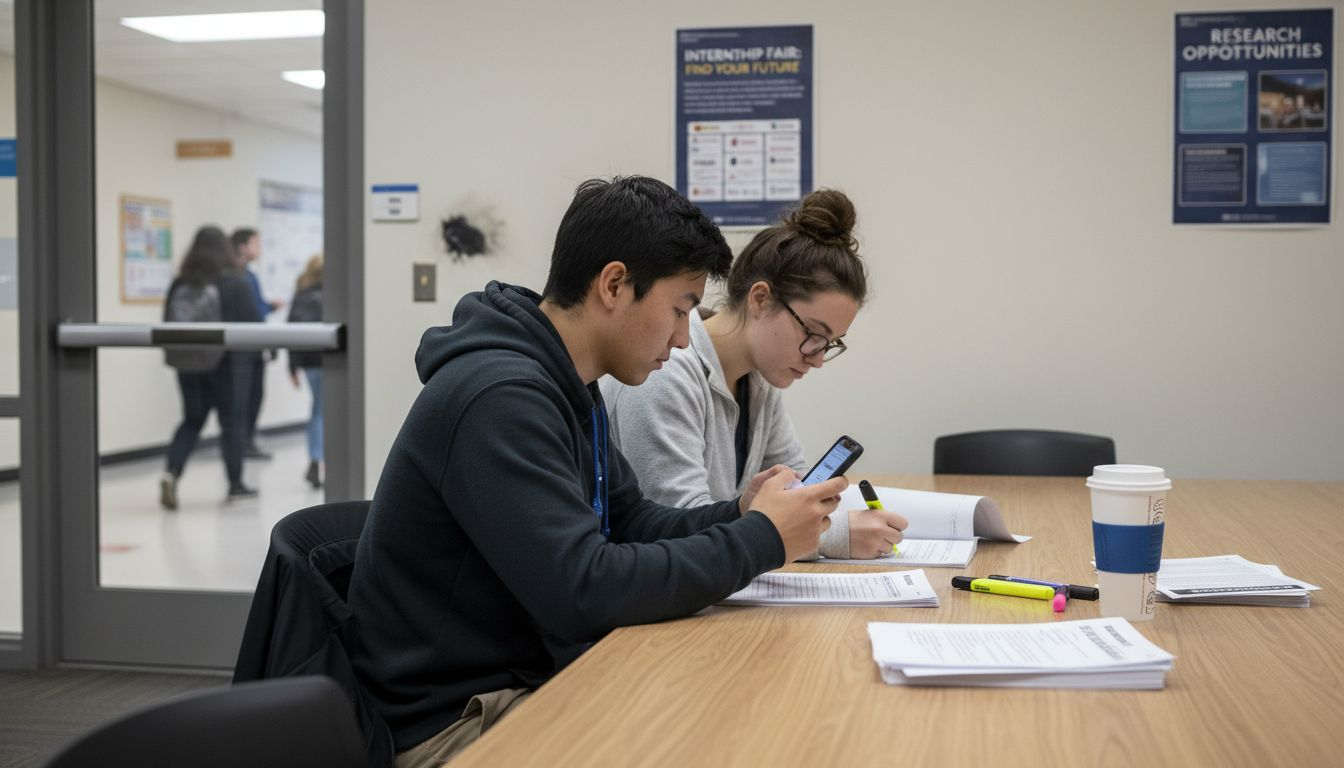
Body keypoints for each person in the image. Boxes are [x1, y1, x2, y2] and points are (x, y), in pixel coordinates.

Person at [348, 176, 846, 767]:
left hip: (531, 677)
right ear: (614, 285)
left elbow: (631, 520)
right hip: (453, 720)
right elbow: (582, 590)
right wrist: (761, 538)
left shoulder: (566, 386)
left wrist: (738, 513)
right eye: (680, 309)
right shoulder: (500, 396)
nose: (684, 338)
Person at [600, 189, 908, 560]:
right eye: (813, 335)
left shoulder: (758, 380)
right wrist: (834, 534)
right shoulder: (666, 370)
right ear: (761, 299)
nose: (817, 359)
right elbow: (678, 527)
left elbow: (795, 489)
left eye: (829, 343)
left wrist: (814, 518)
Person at [160, 225, 262, 508]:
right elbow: (254, 323)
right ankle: (235, 484)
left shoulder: (181, 283)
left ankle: (172, 472)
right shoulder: (235, 281)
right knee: (232, 423)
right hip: (229, 364)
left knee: (192, 419)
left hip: (190, 364)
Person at [230, 227, 284, 460]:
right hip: (241, 351)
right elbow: (253, 311)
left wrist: (270, 306)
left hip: (252, 348)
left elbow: (257, 307)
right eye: (255, 243)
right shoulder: (236, 276)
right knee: (241, 402)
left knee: (254, 398)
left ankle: (247, 442)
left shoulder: (248, 275)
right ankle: (240, 445)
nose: (259, 248)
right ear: (242, 246)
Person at [287, 254, 324, 489]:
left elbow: (292, 331)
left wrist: (292, 366)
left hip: (308, 362)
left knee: (317, 409)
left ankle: (314, 460)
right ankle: (319, 460)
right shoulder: (337, 295)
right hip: (332, 360)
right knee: (324, 411)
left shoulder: (301, 294)